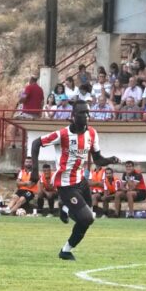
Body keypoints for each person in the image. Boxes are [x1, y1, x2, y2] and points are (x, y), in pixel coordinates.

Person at [30, 100, 120, 261]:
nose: (86, 115)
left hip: (82, 181)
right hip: (65, 184)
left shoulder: (92, 133)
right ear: (73, 115)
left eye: (87, 112)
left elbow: (98, 159)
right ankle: (65, 209)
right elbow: (36, 143)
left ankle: (66, 249)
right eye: (82, 113)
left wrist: (110, 160)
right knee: (87, 217)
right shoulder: (63, 134)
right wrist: (35, 171)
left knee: (88, 218)